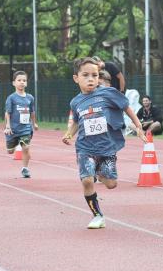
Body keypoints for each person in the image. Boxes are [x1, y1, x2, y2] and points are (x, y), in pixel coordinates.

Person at [62, 57, 147, 229]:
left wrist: (138, 126)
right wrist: (69, 134)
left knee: (111, 184)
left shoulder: (108, 93)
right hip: (85, 147)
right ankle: (97, 215)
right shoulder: (75, 101)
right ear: (76, 78)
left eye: (95, 75)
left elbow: (126, 107)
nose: (91, 79)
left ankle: (99, 173)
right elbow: (77, 122)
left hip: (106, 148)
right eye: (85, 75)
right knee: (86, 180)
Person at [4, 71, 38, 178]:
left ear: (26, 83)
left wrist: (34, 123)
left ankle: (25, 168)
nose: (22, 82)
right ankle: (13, 143)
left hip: (25, 128)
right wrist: (8, 126)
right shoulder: (11, 98)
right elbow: (7, 113)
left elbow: (32, 112)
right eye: (19, 80)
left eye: (24, 80)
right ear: (14, 83)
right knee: (10, 151)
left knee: (26, 147)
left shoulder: (30, 98)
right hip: (13, 129)